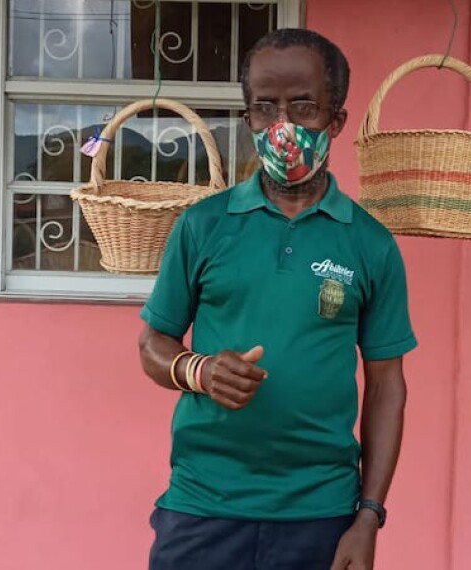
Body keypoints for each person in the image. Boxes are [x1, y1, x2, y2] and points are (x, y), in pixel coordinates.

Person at [138, 28, 417, 570]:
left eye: (304, 106)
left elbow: (387, 385)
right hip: (203, 508)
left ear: (336, 120)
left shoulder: (370, 243)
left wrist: (369, 516)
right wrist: (196, 370)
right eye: (265, 108)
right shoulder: (203, 226)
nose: (283, 126)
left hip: (322, 516)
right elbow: (153, 341)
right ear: (248, 120)